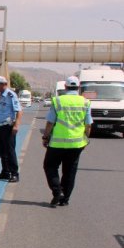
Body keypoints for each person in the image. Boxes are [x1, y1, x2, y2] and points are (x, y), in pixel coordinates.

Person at [41, 75, 92, 207]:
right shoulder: (85, 102)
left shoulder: (58, 101)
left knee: (50, 166)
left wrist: (45, 137)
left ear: (65, 87)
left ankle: (57, 191)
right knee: (70, 171)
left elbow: (50, 122)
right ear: (78, 87)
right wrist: (86, 138)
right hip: (76, 143)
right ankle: (65, 199)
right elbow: (88, 125)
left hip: (57, 143)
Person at [0, 76, 23, 182]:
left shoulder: (11, 95)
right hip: (1, 126)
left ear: (3, 84)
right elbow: (1, 112)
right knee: (2, 151)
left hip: (8, 127)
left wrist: (16, 125)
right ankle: (5, 172)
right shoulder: (1, 96)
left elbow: (19, 111)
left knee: (10, 151)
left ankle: (14, 173)